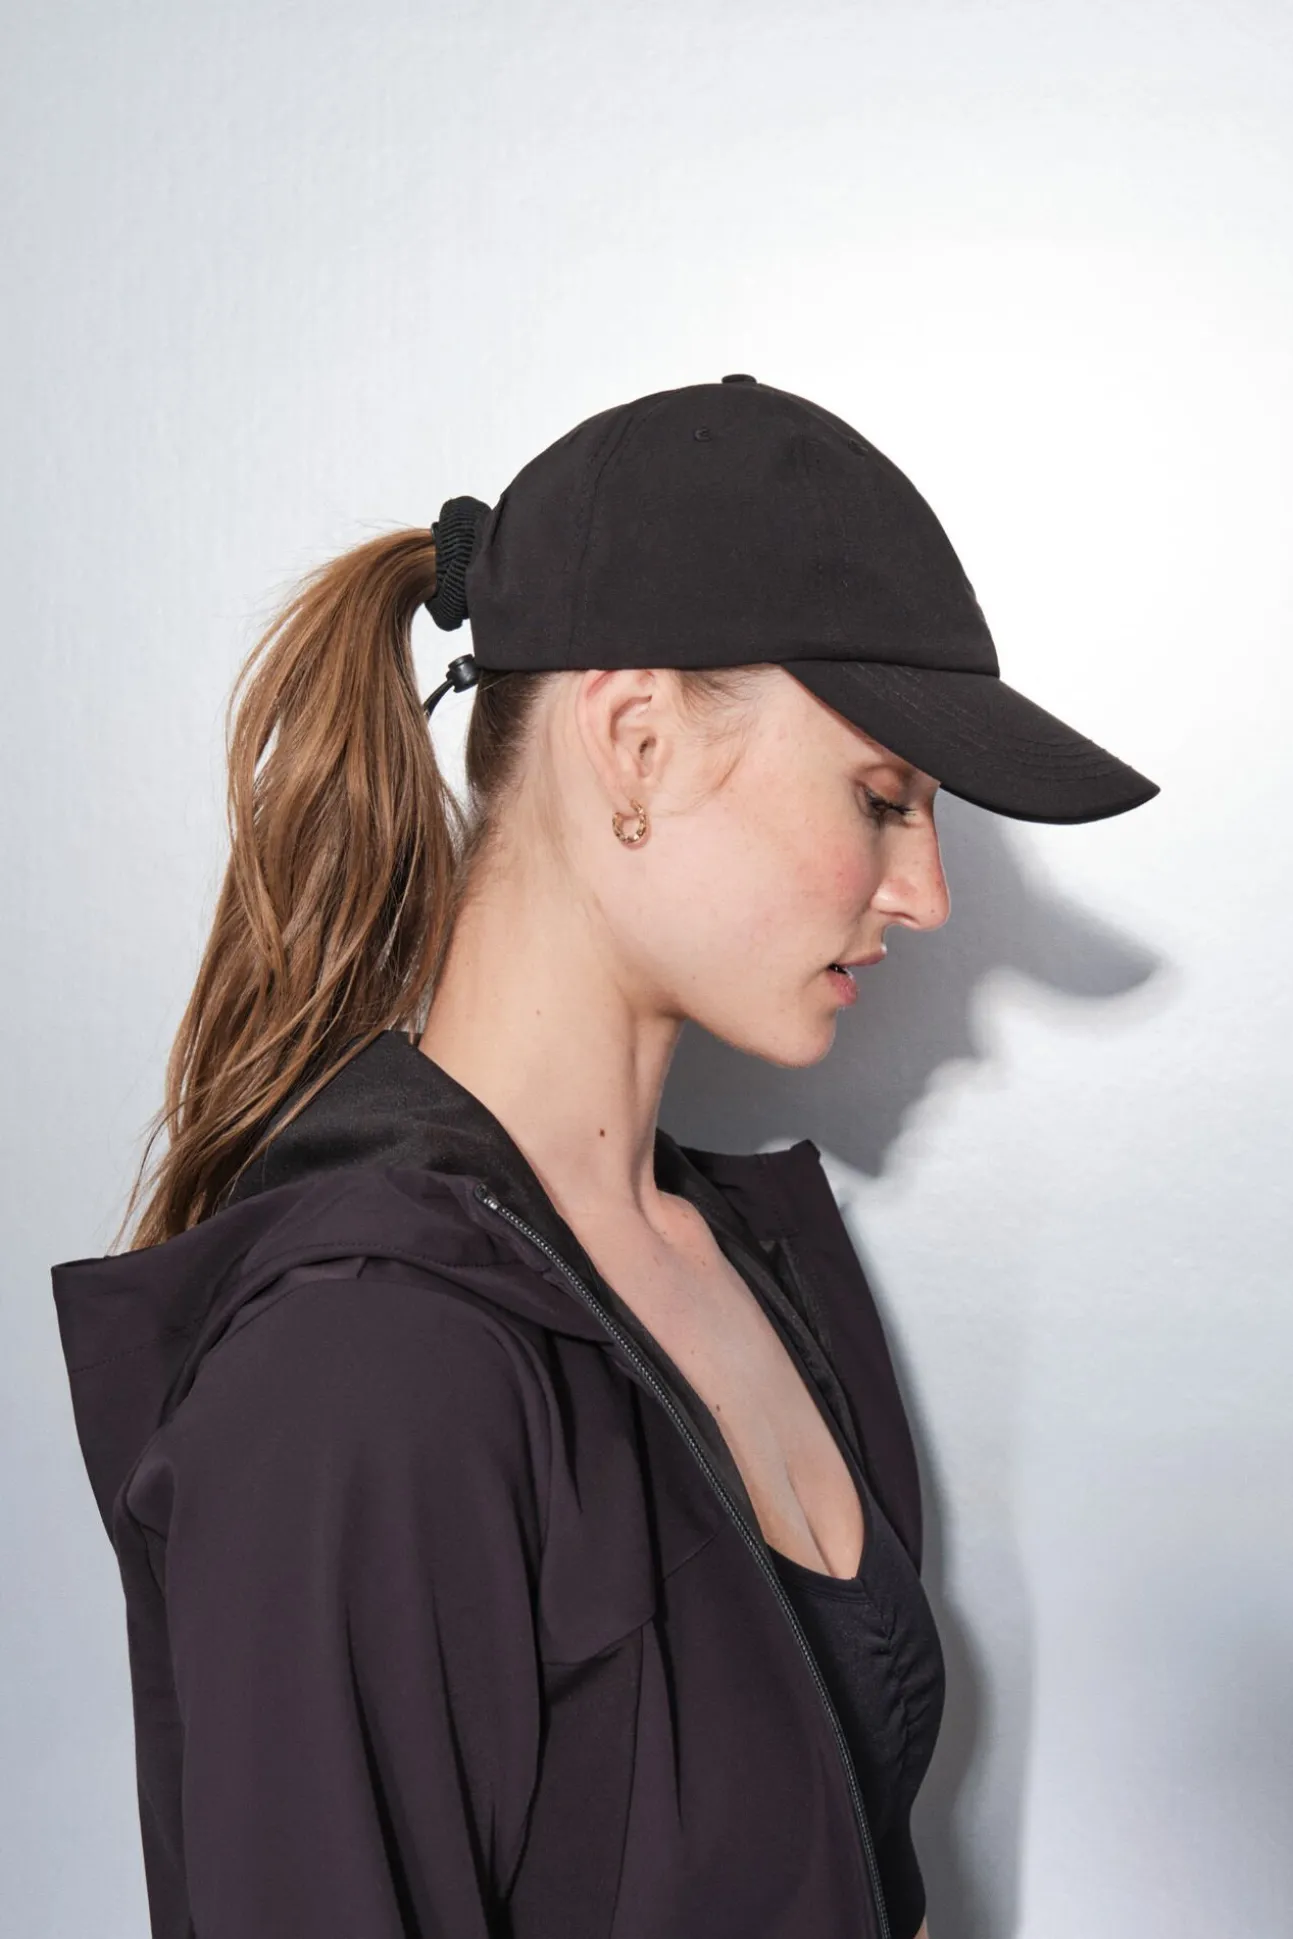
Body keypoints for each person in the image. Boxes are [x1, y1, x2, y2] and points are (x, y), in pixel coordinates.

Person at [51, 374, 1158, 1939]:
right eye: (882, 798)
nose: (928, 893)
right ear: (634, 740)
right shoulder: (360, 1371)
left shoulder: (755, 1260)